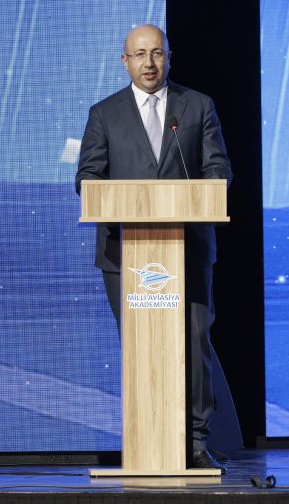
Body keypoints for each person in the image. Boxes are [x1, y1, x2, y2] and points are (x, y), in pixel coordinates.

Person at [75, 24, 233, 473]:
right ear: (124, 61)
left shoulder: (197, 106)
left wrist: (200, 194)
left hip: (188, 250)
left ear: (168, 57)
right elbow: (86, 178)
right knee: (141, 346)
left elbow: (218, 170)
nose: (149, 63)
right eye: (140, 54)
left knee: (194, 341)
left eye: (157, 53)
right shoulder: (104, 114)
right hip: (125, 254)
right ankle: (146, 441)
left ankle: (195, 441)